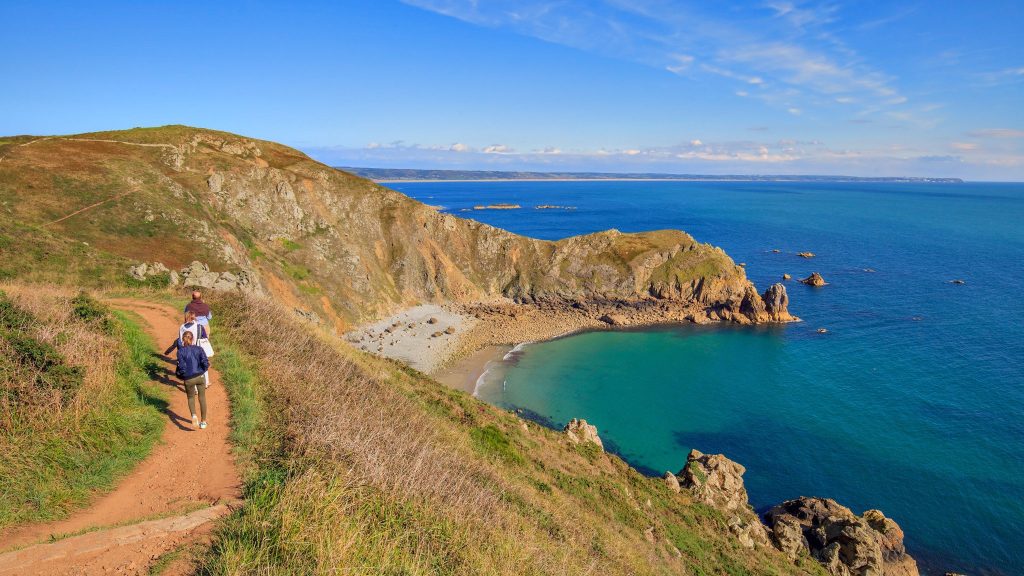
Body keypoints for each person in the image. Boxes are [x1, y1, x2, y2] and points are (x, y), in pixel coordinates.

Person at [165, 311, 211, 387]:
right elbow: (205, 337)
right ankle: (205, 383)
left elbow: (180, 339)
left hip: (185, 350)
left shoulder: (182, 327)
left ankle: (194, 387)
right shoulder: (199, 327)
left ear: (186, 317)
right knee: (202, 364)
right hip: (197, 349)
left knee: (190, 367)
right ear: (194, 317)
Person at [175, 330, 210, 429]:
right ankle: (203, 422)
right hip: (200, 376)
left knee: (191, 398)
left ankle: (194, 415)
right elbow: (205, 362)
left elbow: (181, 367)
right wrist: (203, 370)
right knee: (202, 398)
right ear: (193, 339)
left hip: (188, 379)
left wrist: (183, 375)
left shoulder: (180, 351)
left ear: (183, 340)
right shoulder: (199, 349)